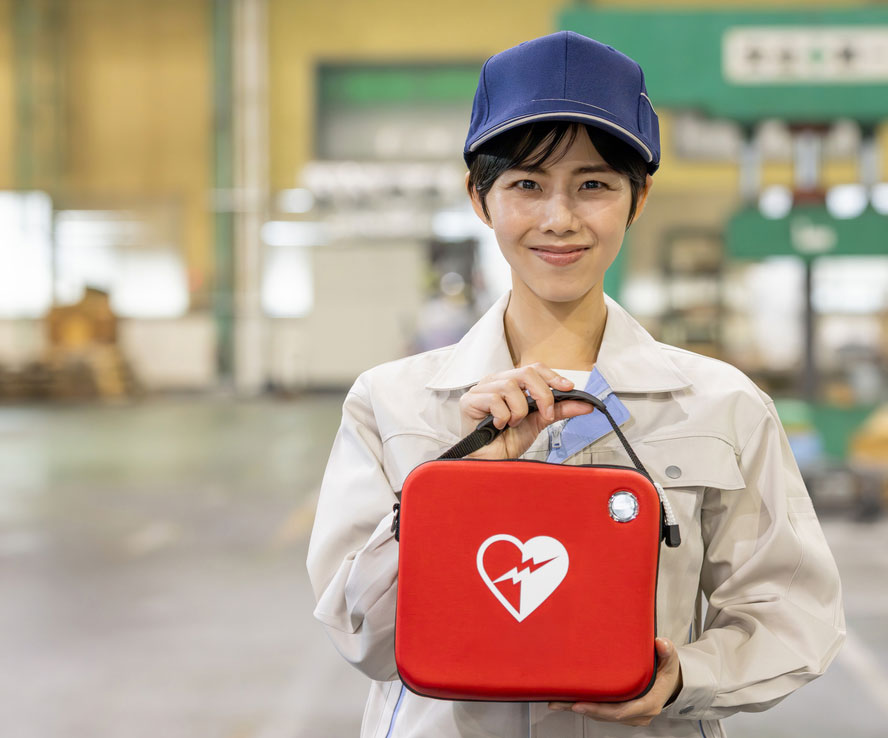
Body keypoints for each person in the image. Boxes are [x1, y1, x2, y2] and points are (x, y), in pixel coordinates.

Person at [307, 31, 846, 738]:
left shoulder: (723, 407)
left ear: (638, 196)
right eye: (526, 185)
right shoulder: (395, 404)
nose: (559, 219)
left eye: (593, 185)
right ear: (480, 197)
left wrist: (684, 674)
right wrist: (459, 481)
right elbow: (362, 637)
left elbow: (793, 611)